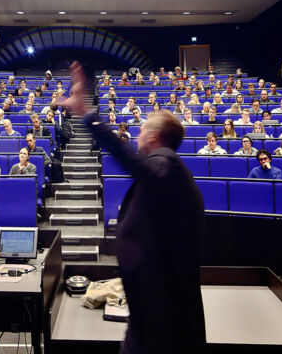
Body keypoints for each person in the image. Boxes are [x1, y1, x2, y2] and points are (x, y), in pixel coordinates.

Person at [62, 61, 206, 354]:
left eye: (141, 131)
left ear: (153, 137)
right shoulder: (167, 171)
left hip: (165, 314)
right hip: (152, 305)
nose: (137, 136)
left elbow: (133, 164)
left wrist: (88, 116)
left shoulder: (166, 166)